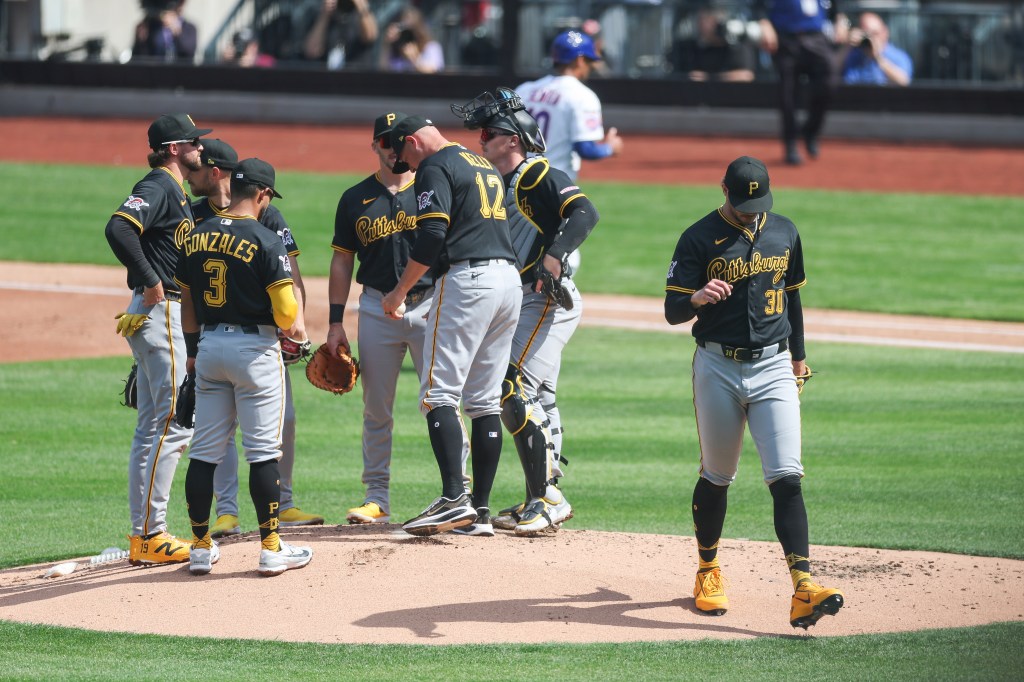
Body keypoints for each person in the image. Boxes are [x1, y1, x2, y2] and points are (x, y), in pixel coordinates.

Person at [664, 156, 844, 629]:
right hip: (717, 366)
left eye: (756, 203)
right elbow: (671, 310)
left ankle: (804, 587)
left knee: (787, 476)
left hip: (774, 365)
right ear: (723, 189)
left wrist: (799, 357)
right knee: (718, 476)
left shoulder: (784, 230)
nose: (750, 212)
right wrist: (696, 299)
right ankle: (707, 569)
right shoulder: (698, 237)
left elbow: (794, 296)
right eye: (741, 204)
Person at [452, 88, 601, 536]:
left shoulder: (534, 174)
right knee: (540, 397)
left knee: (510, 386)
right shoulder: (497, 181)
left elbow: (585, 213)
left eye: (490, 132)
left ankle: (547, 498)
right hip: (523, 298)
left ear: (513, 139)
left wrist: (554, 255)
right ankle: (546, 493)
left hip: (545, 299)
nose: (481, 138)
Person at [382, 115, 522, 537]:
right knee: (483, 400)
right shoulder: (481, 163)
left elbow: (432, 236)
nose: (403, 164)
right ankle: (479, 512)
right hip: (507, 282)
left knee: (438, 391)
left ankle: (451, 499)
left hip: (469, 281)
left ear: (411, 142)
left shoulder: (435, 165)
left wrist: (399, 291)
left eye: (401, 155)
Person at [327, 112, 468, 525]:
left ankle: (460, 488)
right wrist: (336, 321)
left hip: (433, 303)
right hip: (374, 308)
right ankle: (377, 496)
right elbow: (341, 262)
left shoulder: (433, 185)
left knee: (443, 399)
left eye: (396, 141)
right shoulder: (355, 198)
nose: (391, 150)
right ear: (374, 146)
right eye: (384, 143)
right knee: (376, 407)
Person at [176, 157, 314, 577]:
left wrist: (194, 353)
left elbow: (187, 305)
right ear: (261, 195)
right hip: (255, 352)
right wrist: (301, 339)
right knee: (262, 452)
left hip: (210, 348)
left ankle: (200, 548)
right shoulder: (266, 238)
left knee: (203, 453)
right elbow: (288, 311)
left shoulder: (195, 236)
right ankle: (271, 548)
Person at [104, 112, 210, 566]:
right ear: (173, 149)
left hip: (159, 314)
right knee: (174, 424)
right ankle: (151, 534)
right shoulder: (158, 185)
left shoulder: (176, 190)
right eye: (194, 143)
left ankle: (145, 532)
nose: (200, 149)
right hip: (161, 308)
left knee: (154, 426)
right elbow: (118, 227)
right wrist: (149, 282)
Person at [516, 29, 623, 184]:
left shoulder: (525, 89)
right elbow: (586, 150)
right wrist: (610, 147)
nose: (590, 66)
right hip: (551, 183)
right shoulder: (582, 96)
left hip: (516, 179)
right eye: (588, 61)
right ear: (579, 60)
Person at [756, 0, 848, 165]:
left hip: (815, 36)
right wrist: (764, 23)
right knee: (787, 94)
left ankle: (810, 130)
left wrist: (840, 20)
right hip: (786, 37)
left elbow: (835, 6)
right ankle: (790, 143)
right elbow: (759, 5)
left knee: (830, 80)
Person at [670, 9, 757, 82]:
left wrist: (710, 77)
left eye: (706, 19)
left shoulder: (736, 45)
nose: (700, 24)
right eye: (700, 19)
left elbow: (746, 76)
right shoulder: (689, 48)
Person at [303, 0, 378, 70]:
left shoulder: (363, 9)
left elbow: (370, 37)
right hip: (328, 77)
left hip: (357, 75)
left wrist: (361, 6)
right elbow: (311, 51)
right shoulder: (318, 7)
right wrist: (325, 15)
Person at [841, 12, 912, 86]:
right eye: (867, 34)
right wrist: (847, 45)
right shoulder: (853, 55)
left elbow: (904, 82)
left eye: (875, 33)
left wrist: (877, 58)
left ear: (885, 32)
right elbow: (834, 74)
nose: (872, 38)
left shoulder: (898, 56)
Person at [379, 6, 445, 73]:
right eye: (405, 32)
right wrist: (387, 45)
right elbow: (384, 71)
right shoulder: (397, 51)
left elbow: (434, 71)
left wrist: (415, 60)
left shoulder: (432, 47)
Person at [132, 0, 197, 63]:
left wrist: (176, 31)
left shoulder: (189, 28)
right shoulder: (150, 27)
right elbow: (137, 58)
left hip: (179, 72)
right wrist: (141, 42)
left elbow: (188, 53)